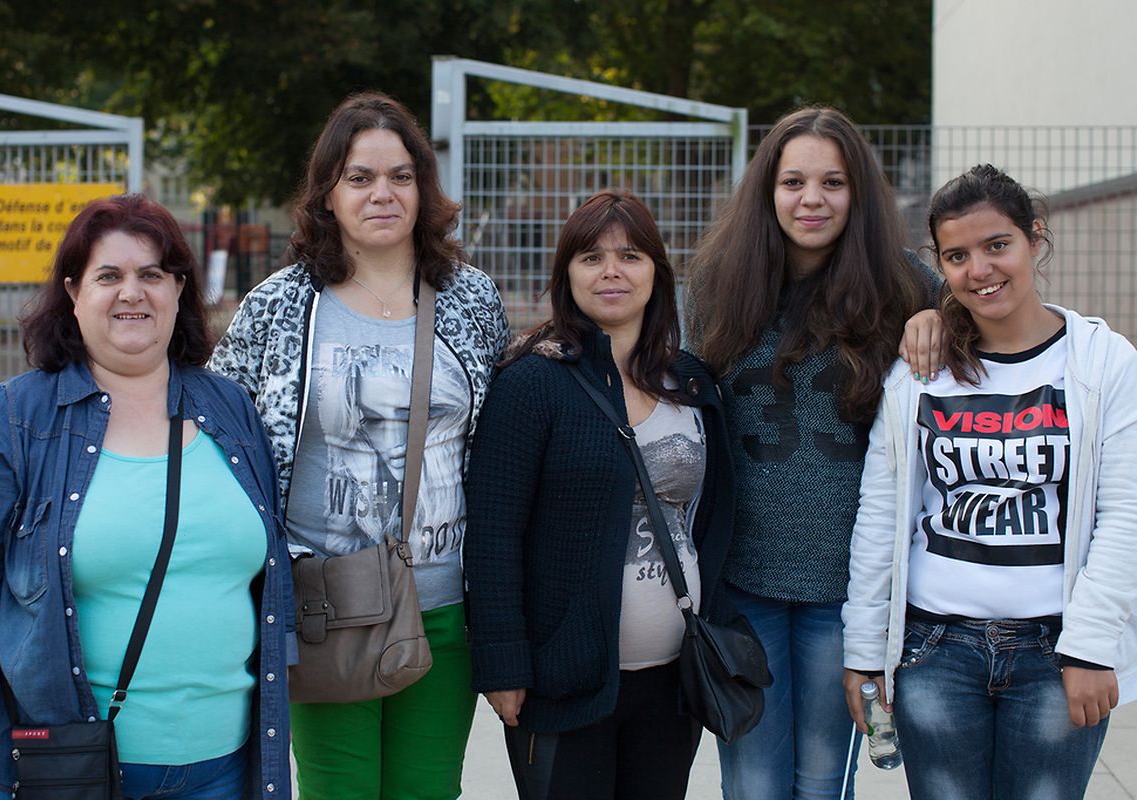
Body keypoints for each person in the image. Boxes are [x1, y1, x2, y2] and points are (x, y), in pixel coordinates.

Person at [0, 194, 293, 798]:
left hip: (230, 767)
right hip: (76, 770)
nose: (133, 292)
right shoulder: (20, 416)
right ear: (74, 293)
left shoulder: (230, 408)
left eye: (151, 274)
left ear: (178, 290)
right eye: (109, 276)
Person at [208, 91, 509, 800]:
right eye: (360, 177)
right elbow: (218, 436)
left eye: (401, 176)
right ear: (329, 196)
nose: (383, 193)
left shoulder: (473, 299)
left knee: (428, 791)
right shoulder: (279, 306)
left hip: (444, 607)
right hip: (325, 611)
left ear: (424, 189)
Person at [843, 163, 1137, 799]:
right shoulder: (919, 371)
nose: (980, 269)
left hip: (1055, 653)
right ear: (940, 266)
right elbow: (881, 516)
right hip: (934, 651)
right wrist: (865, 653)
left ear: (1035, 237)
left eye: (997, 245)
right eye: (957, 255)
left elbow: (1126, 514)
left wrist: (1090, 646)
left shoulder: (1103, 362)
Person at [685, 105, 937, 799]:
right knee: (757, 784)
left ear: (858, 193)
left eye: (832, 182)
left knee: (824, 782)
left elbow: (990, 324)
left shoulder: (905, 285)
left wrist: (937, 319)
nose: (812, 199)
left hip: (849, 591)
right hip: (743, 583)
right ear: (768, 189)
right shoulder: (717, 284)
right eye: (794, 181)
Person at [463, 189, 737, 800]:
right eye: (591, 257)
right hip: (564, 682)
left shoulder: (690, 382)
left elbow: (713, 515)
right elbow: (493, 534)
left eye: (631, 255)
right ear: (566, 276)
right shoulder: (533, 383)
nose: (612, 271)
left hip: (674, 681)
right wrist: (502, 664)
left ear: (657, 275)